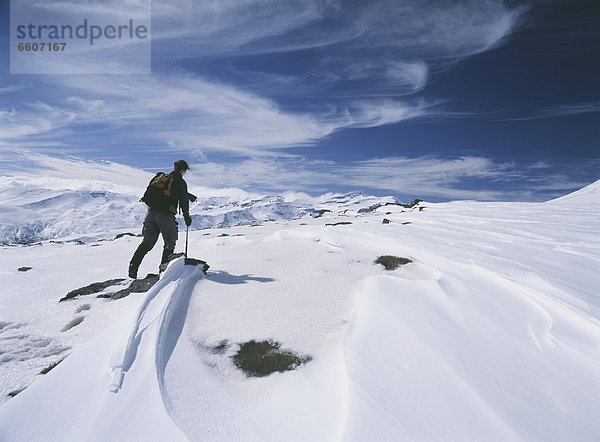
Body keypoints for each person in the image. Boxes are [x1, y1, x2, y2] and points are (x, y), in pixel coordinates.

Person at [128, 160, 193, 279]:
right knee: (169, 244)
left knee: (147, 242)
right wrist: (186, 216)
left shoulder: (161, 179)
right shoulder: (181, 182)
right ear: (182, 170)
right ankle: (163, 273)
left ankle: (133, 266)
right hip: (165, 216)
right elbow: (183, 201)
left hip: (150, 214)